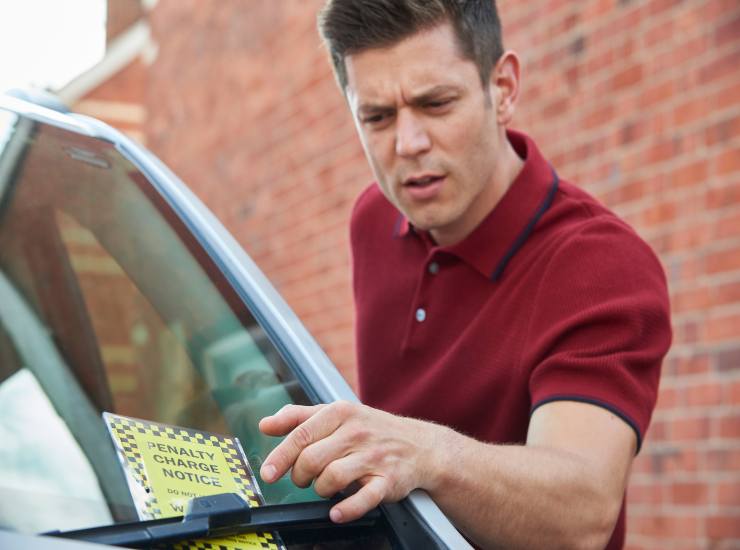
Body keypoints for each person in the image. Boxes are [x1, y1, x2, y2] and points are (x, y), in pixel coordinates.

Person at [258, 1, 672, 548]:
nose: (407, 144)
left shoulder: (600, 263)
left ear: (502, 88)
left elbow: (583, 512)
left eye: (436, 103)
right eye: (377, 117)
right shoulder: (374, 219)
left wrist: (427, 455)